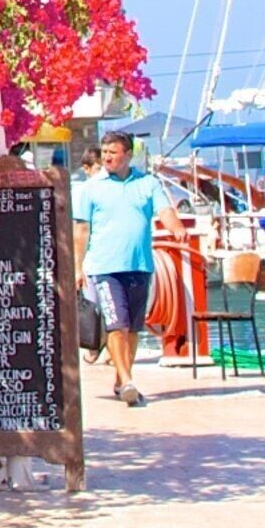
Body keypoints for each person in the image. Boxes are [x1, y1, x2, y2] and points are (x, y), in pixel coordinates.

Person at [72, 134, 177, 408]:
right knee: (116, 325)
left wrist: (176, 227)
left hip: (139, 265)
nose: (106, 157)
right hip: (105, 267)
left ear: (127, 155)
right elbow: (81, 231)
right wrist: (77, 267)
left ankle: (121, 379)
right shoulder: (91, 188)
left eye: (113, 152)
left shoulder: (147, 183)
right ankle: (128, 381)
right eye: (104, 151)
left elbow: (164, 210)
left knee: (132, 329)